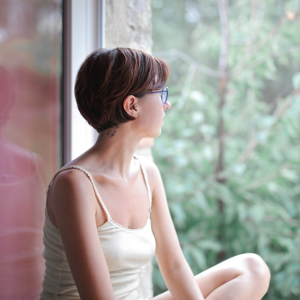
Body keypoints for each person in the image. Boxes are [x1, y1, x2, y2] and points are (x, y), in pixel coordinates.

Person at [40, 47, 270, 300]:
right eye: (161, 94)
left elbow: (173, 266)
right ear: (132, 106)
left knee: (252, 269)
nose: (167, 104)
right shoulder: (74, 185)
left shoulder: (147, 173)